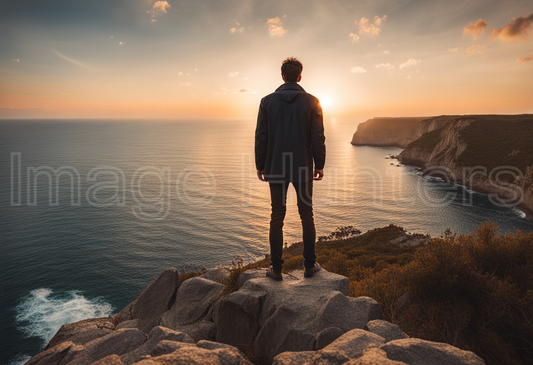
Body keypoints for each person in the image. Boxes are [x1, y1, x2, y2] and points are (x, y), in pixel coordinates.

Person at [255, 57, 326, 281]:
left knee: (277, 216)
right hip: (303, 167)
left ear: (283, 76)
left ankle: (276, 270)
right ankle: (308, 266)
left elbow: (261, 137)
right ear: (300, 77)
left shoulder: (267, 102)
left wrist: (260, 165)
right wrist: (320, 164)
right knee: (307, 215)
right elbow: (317, 137)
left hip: (275, 166)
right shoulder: (313, 101)